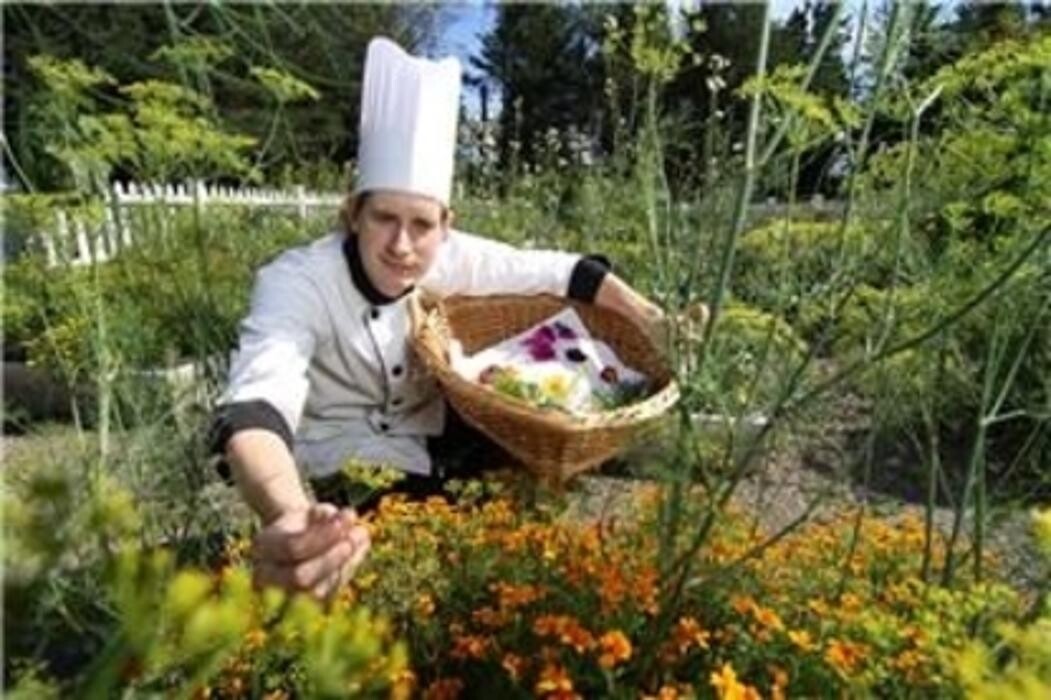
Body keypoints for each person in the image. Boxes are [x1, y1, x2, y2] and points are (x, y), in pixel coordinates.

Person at [210, 38, 667, 599]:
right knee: (403, 570)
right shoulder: (296, 282)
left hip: (439, 432)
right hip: (352, 456)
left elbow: (558, 272)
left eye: (422, 225)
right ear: (355, 214)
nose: (403, 245)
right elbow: (258, 401)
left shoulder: (448, 256)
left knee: (511, 493)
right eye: (384, 218)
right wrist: (289, 512)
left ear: (445, 223)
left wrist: (650, 317)